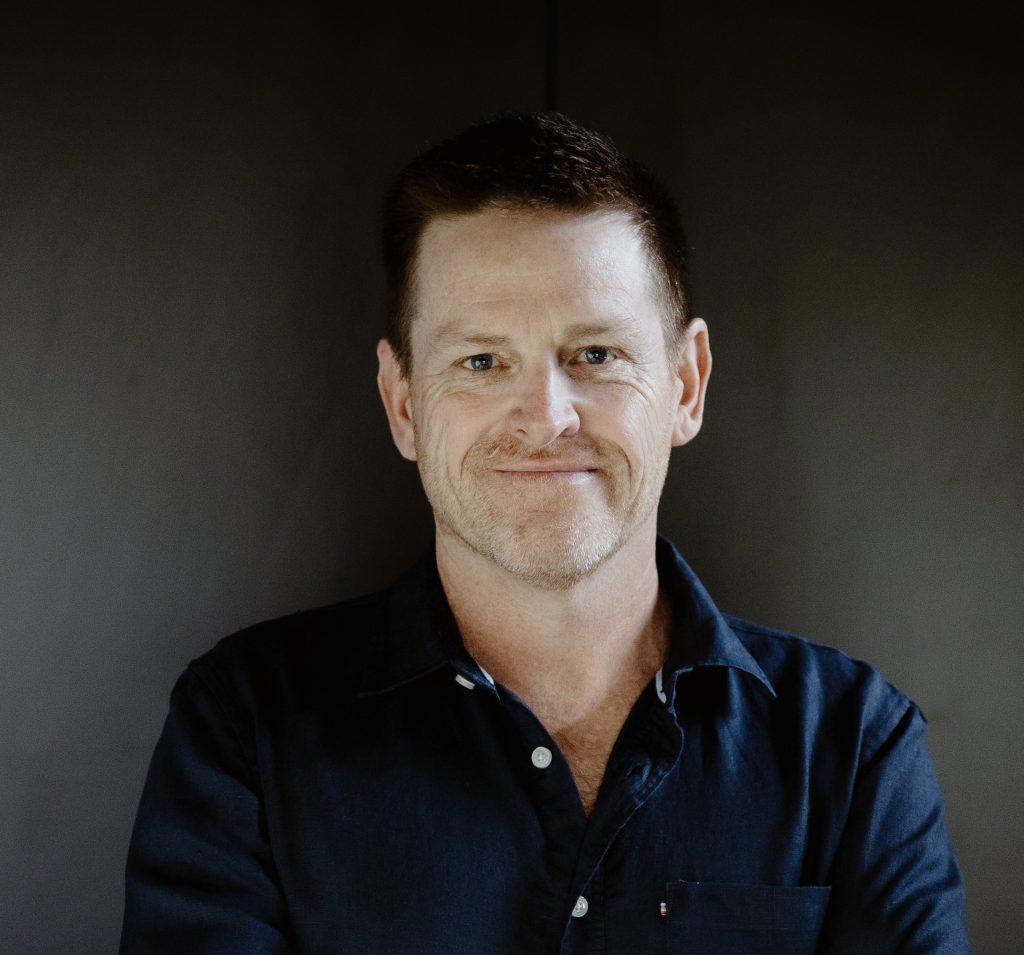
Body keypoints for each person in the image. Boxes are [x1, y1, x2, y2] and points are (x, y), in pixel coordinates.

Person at [120, 113, 970, 953]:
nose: (546, 416)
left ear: (686, 384)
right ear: (403, 403)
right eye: (481, 361)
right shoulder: (244, 733)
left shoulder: (854, 747)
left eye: (596, 354)